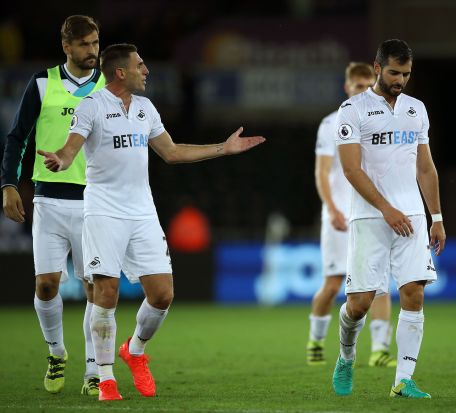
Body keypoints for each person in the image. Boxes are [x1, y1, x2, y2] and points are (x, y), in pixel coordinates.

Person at [38, 43, 265, 401]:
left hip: (143, 211)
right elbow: (70, 149)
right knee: (105, 292)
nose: (146, 71)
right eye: (140, 66)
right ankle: (106, 379)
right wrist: (61, 161)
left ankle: (136, 350)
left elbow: (172, 152)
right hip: (103, 211)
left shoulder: (145, 109)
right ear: (120, 72)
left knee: (162, 295)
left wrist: (223, 148)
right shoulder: (92, 106)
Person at [331, 39, 446, 398]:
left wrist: (437, 216)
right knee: (359, 303)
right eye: (395, 72)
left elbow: (425, 167)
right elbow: (351, 170)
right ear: (377, 68)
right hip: (370, 216)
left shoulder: (416, 109)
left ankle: (403, 379)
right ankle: (346, 356)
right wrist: (385, 208)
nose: (401, 80)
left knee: (413, 292)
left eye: (407, 74)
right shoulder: (352, 109)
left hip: (411, 216)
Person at [1, 15, 104, 396]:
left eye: (95, 43)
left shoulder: (108, 86)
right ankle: (57, 351)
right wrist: (9, 184)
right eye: (84, 45)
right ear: (66, 46)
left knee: (96, 289)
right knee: (46, 285)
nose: (92, 51)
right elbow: (17, 137)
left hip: (95, 202)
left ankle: (94, 369)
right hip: (48, 200)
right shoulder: (43, 83)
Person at [307, 62, 396, 368]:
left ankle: (380, 350)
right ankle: (316, 341)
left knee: (380, 284)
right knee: (333, 284)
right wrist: (331, 208)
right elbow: (322, 172)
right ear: (347, 88)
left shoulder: (383, 122)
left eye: (367, 85)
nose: (362, 91)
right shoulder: (331, 124)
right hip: (340, 218)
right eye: (357, 86)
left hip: (371, 214)